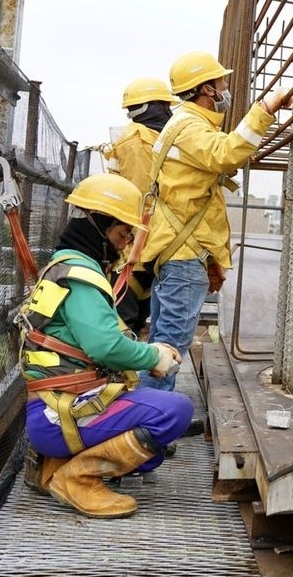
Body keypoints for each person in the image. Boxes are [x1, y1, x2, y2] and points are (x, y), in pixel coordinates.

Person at [20, 173, 191, 519]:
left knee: (150, 454)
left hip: (55, 407)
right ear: (99, 227)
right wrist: (152, 355)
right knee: (176, 411)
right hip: (60, 413)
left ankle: (51, 465)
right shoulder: (82, 276)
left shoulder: (65, 265)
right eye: (120, 234)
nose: (124, 244)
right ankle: (75, 479)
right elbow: (103, 346)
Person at [140, 52, 287, 391]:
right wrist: (265, 110)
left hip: (175, 252)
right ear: (207, 89)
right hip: (182, 257)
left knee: (161, 344)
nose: (226, 88)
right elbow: (226, 154)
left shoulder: (182, 124)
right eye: (222, 82)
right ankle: (149, 429)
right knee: (170, 349)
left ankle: (144, 417)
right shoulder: (190, 127)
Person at [101, 77, 176, 334]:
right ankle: (119, 370)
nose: (169, 112)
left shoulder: (147, 138)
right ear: (152, 107)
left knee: (137, 312)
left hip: (141, 245)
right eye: (165, 106)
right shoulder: (138, 141)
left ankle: (129, 366)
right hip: (136, 245)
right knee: (125, 317)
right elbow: (142, 197)